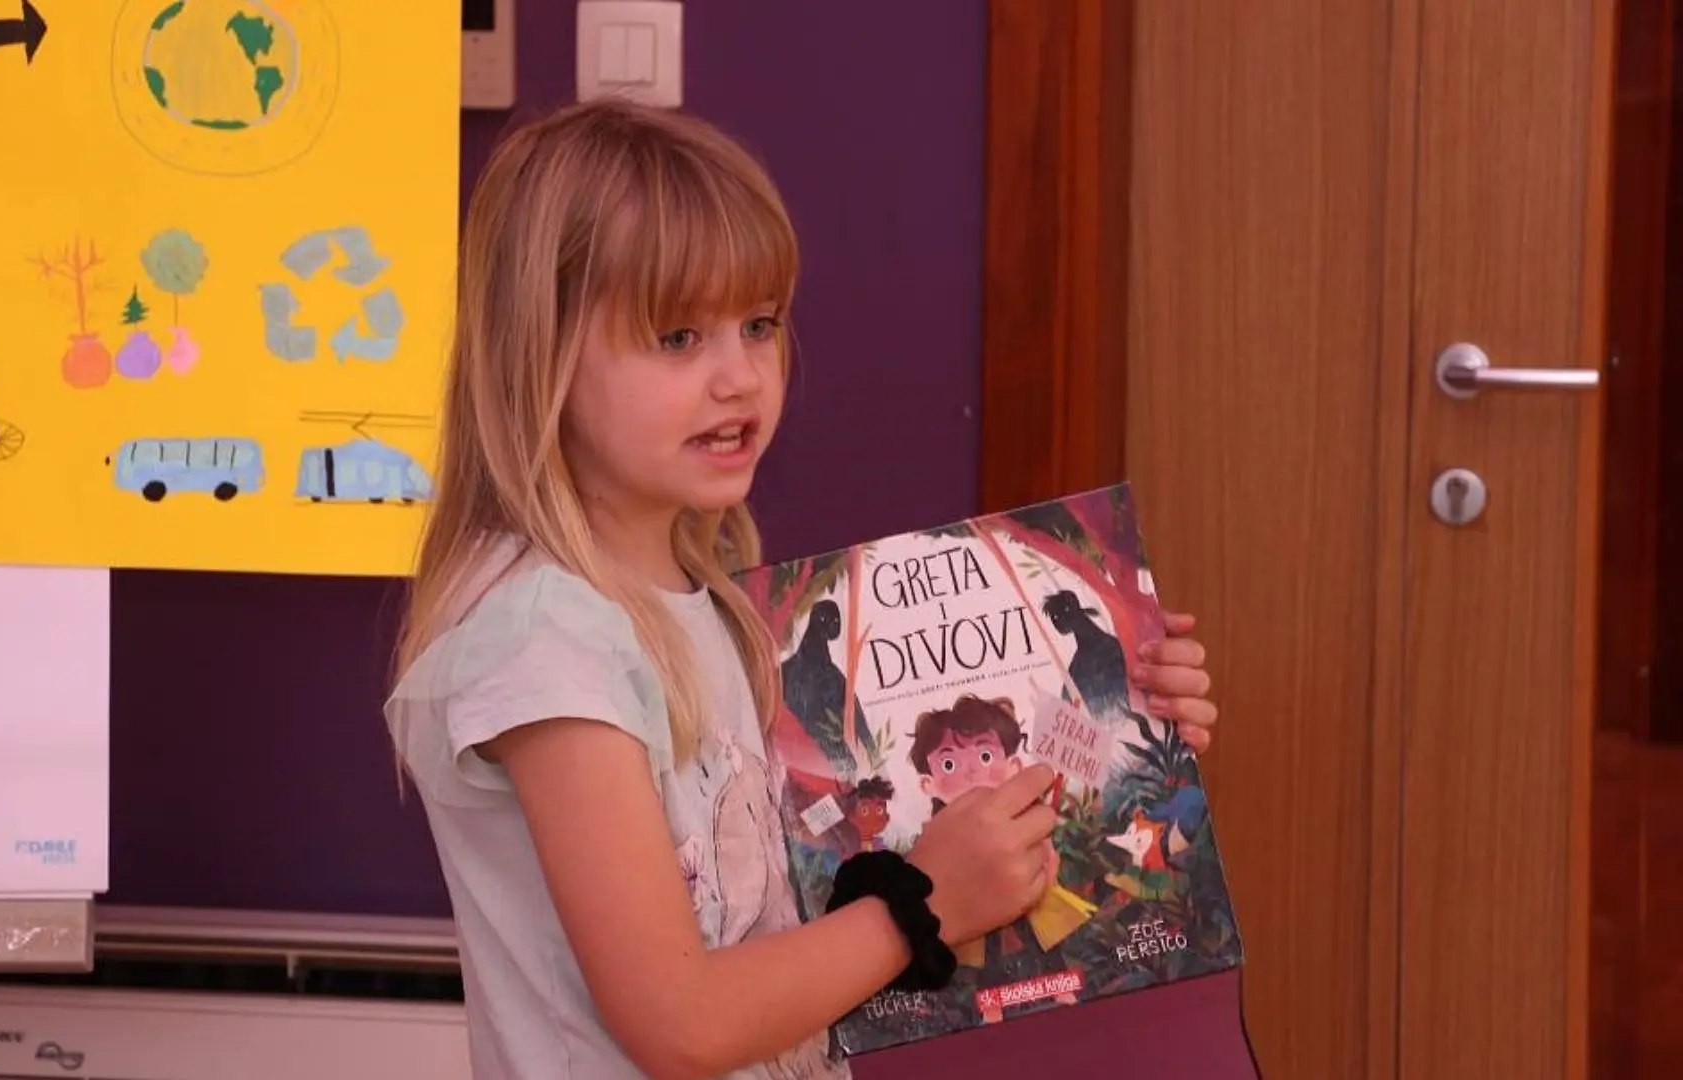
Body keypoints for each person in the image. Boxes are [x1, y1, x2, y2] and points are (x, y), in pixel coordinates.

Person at [383, 98, 1220, 1080]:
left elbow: (796, 928)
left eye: (759, 325)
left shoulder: (708, 605)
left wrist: (1118, 724)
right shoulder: (545, 636)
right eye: (677, 337)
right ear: (541, 356)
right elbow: (681, 1024)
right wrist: (922, 907)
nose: (741, 377)